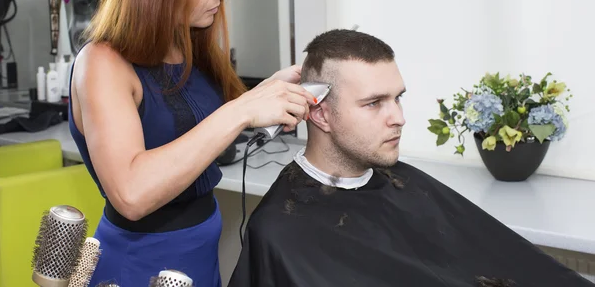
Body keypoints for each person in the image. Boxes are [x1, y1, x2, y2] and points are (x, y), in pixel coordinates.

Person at [68, 0, 316, 287]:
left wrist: (263, 95)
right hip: (136, 266)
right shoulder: (101, 64)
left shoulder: (188, 48)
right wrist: (240, 112)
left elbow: (193, 135)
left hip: (199, 257)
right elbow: (131, 194)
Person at [228, 29, 593, 287]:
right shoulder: (280, 232)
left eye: (397, 98)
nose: (398, 117)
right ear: (319, 113)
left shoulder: (402, 182)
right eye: (374, 103)